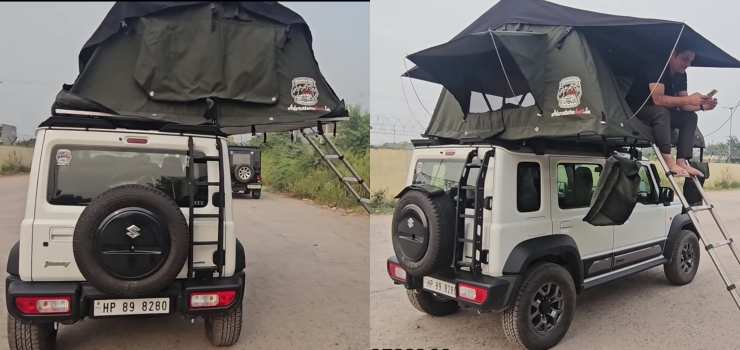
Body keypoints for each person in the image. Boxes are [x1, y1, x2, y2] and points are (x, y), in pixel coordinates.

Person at [625, 44, 718, 177]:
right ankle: (669, 161)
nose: (687, 64)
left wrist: (703, 106)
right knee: (662, 112)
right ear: (673, 54)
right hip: (636, 109)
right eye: (685, 59)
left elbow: (684, 105)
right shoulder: (656, 66)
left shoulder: (681, 74)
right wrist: (689, 99)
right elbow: (658, 100)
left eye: (690, 61)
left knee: (690, 117)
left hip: (660, 112)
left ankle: (682, 161)